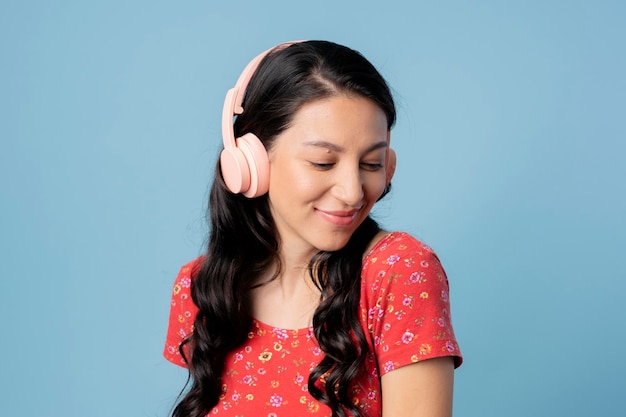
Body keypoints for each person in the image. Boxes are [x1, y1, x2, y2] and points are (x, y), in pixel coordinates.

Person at [164, 40, 462, 417]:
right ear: (250, 162)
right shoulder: (201, 287)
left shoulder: (399, 270)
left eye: (371, 163)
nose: (353, 192)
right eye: (323, 163)